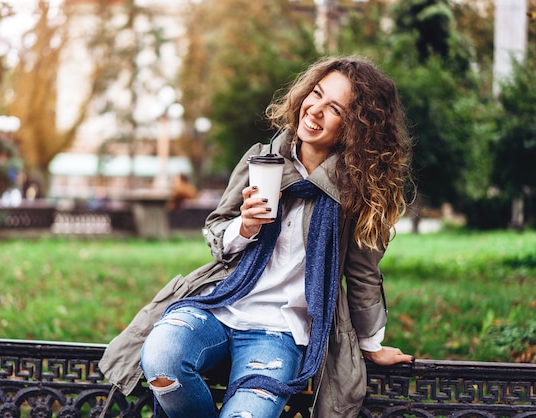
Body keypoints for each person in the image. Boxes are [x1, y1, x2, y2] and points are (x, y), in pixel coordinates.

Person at [99, 55, 415, 418]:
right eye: (316, 94)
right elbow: (217, 231)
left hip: (279, 332)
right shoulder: (261, 161)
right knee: (162, 362)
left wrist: (372, 344)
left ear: (357, 128)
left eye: (336, 109)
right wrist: (245, 227)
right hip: (218, 304)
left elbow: (362, 275)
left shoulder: (356, 194)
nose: (315, 110)